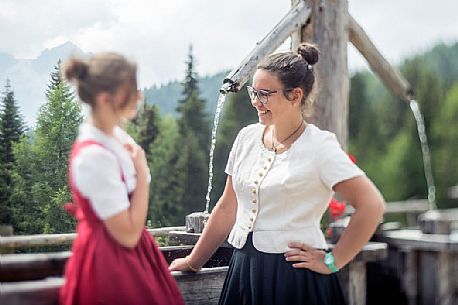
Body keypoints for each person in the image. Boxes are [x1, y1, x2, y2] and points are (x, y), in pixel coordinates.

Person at [169, 43, 385, 305]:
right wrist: (193, 261)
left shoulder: (320, 146)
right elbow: (227, 207)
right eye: (254, 92)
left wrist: (332, 260)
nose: (255, 102)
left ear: (295, 96)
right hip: (243, 271)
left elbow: (371, 205)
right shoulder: (246, 138)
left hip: (294, 278)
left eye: (265, 94)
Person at [60, 53, 185, 305]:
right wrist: (140, 171)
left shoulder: (116, 138)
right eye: (131, 89)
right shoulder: (95, 156)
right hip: (110, 262)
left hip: (132, 254)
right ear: (106, 99)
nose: (139, 95)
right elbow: (127, 234)